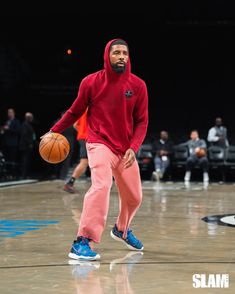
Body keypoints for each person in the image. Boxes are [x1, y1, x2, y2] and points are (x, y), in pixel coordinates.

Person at [41, 38, 148, 260]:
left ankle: (121, 229)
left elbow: (142, 121)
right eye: (116, 52)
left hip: (124, 149)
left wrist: (134, 147)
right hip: (99, 142)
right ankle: (82, 241)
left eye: (125, 53)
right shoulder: (91, 82)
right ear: (107, 56)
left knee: (135, 197)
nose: (121, 57)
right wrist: (54, 131)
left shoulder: (138, 86)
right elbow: (74, 111)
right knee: (102, 186)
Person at [63, 109, 89, 193]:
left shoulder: (83, 110)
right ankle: (70, 183)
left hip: (83, 138)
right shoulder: (94, 108)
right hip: (88, 138)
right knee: (84, 162)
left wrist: (81, 132)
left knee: (91, 162)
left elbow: (75, 125)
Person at [19, 112, 37, 179]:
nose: (32, 119)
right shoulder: (25, 125)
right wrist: (29, 143)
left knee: (27, 161)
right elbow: (24, 136)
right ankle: (23, 175)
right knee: (24, 161)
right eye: (31, 117)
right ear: (28, 118)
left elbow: (32, 136)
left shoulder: (29, 125)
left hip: (28, 147)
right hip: (25, 147)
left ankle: (26, 174)